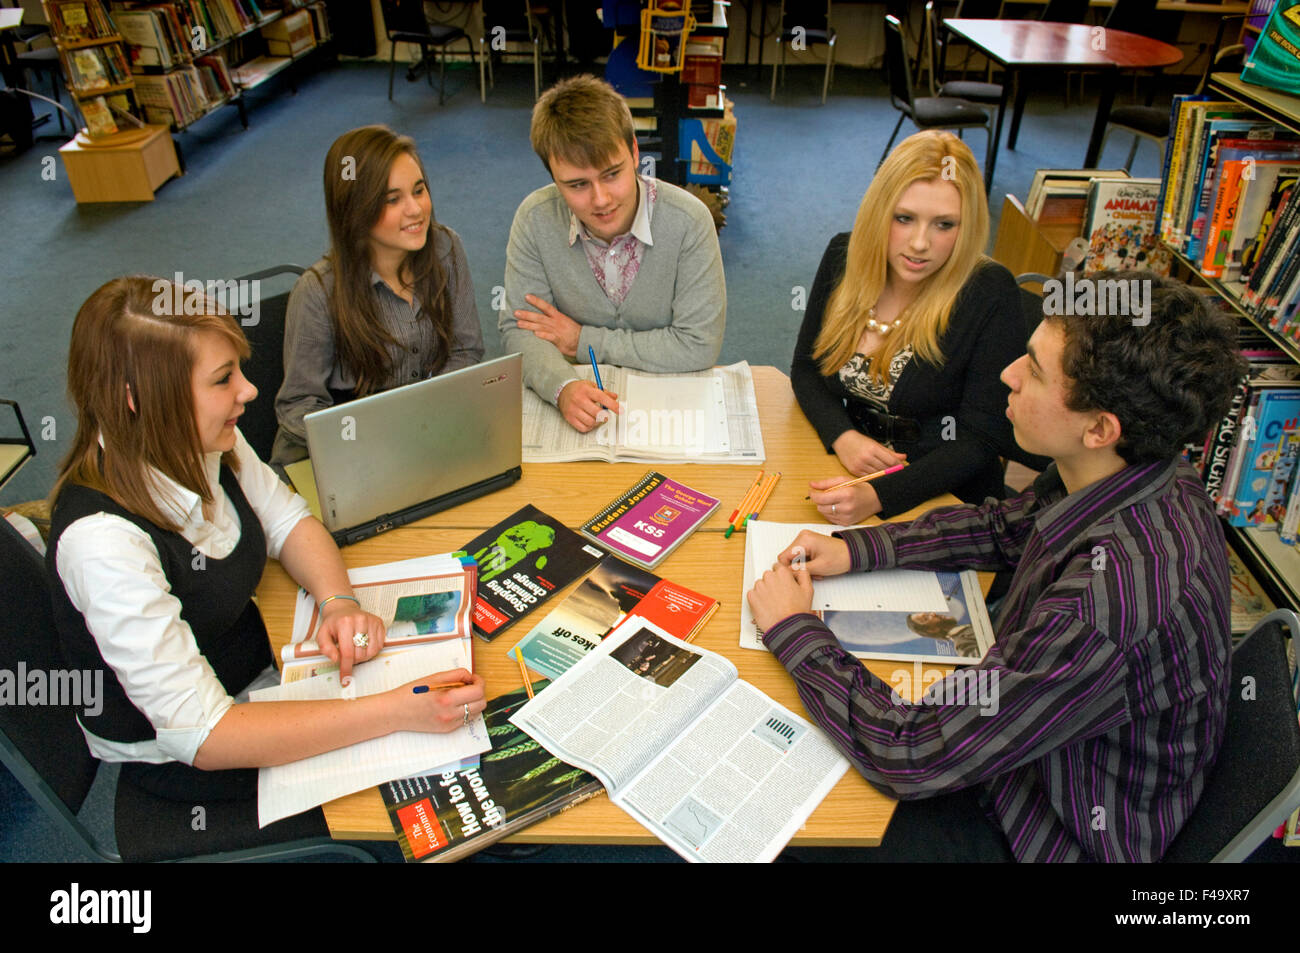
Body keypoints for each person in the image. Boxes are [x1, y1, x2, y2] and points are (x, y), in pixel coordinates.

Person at [748, 273, 1245, 861]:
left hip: (1034, 824)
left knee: (775, 814)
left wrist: (794, 631)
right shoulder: (1128, 467)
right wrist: (860, 548)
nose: (1007, 373)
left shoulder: (1108, 602)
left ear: (1099, 427)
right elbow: (1007, 528)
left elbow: (911, 751)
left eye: (1033, 368)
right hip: (1029, 752)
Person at [48, 277, 487, 820]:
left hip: (255, 674)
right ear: (140, 401)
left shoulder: (201, 441)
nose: (249, 392)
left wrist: (337, 601)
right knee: (431, 791)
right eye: (222, 379)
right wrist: (394, 712)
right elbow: (204, 735)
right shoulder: (102, 543)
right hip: (190, 759)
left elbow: (286, 520)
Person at [791, 129, 1034, 524]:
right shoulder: (843, 256)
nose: (920, 243)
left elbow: (982, 437)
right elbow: (807, 369)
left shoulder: (989, 291)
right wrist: (843, 436)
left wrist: (878, 496)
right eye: (904, 219)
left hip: (947, 497)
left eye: (944, 225)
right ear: (879, 211)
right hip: (847, 471)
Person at [501, 74, 726, 433]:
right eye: (577, 185)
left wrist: (582, 340)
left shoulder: (689, 221)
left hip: (671, 403)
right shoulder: (535, 219)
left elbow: (697, 345)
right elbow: (520, 329)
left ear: (635, 152)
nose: (601, 199)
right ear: (553, 179)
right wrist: (561, 388)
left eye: (612, 174)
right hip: (575, 399)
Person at [272, 125, 483, 467]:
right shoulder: (317, 292)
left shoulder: (446, 248)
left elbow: (466, 350)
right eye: (392, 200)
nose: (416, 210)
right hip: (347, 453)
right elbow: (298, 407)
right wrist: (375, 439)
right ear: (355, 209)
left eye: (419, 190)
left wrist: (428, 418)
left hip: (425, 433)